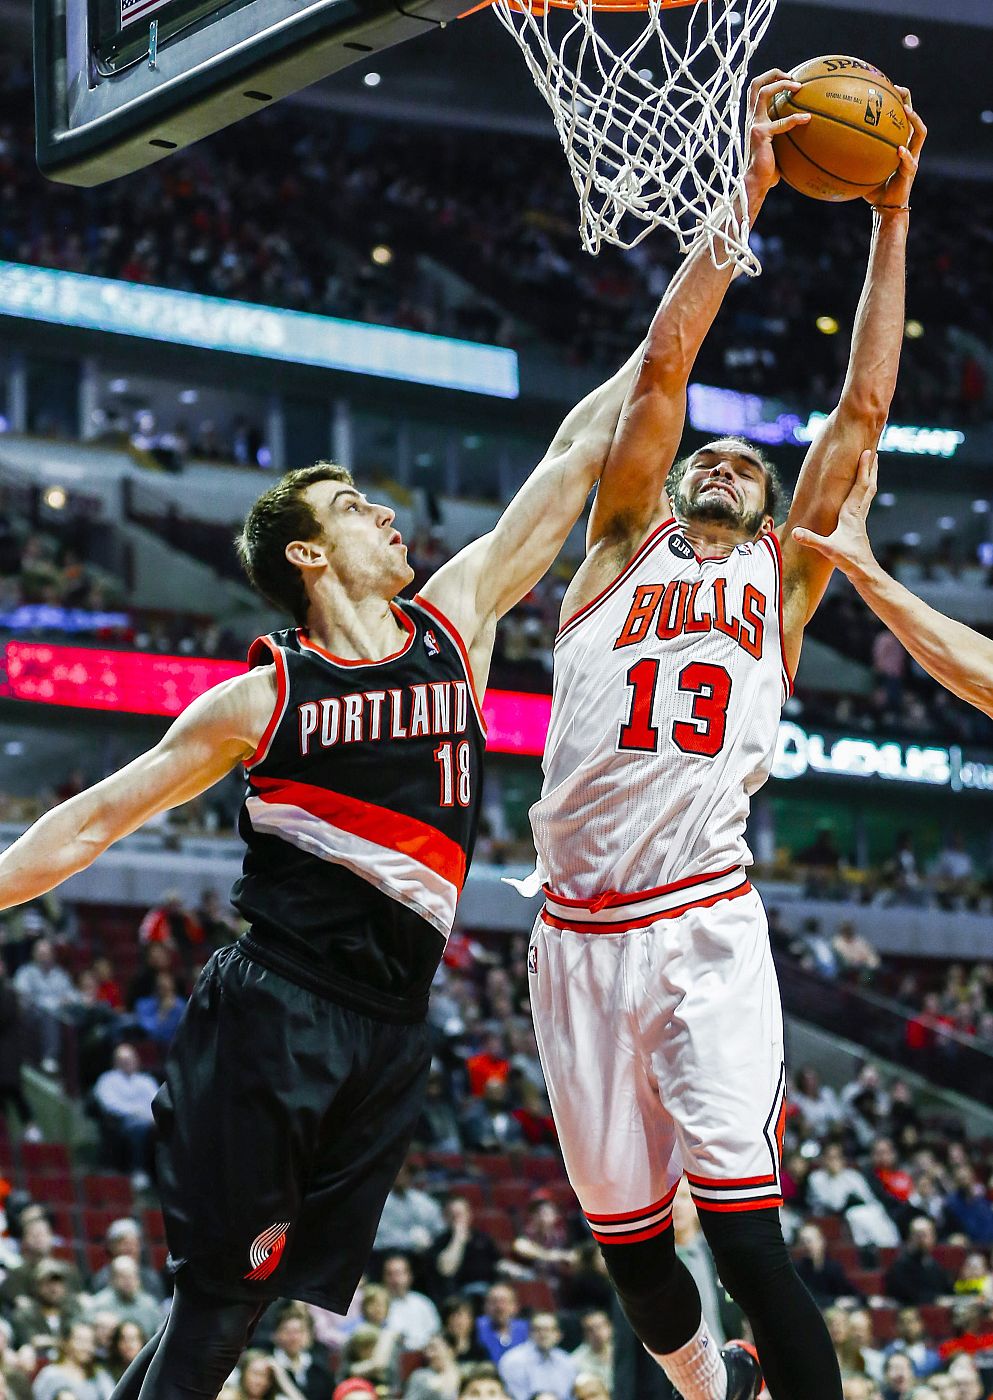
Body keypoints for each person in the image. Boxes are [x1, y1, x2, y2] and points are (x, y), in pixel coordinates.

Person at [0, 303, 645, 1400]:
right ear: (306, 551)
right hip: (278, 1006)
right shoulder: (262, 693)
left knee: (235, 1303)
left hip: (391, 1025)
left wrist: (708, 262)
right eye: (353, 504)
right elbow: (92, 820)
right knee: (218, 1301)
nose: (386, 511)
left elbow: (580, 449)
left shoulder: (456, 624)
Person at [522, 61, 925, 1400]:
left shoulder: (782, 583)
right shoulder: (618, 547)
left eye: (751, 466)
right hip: (574, 932)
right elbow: (665, 370)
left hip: (702, 921)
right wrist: (738, 202)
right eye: (718, 455)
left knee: (748, 1240)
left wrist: (892, 218)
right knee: (632, 1256)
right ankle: (712, 1392)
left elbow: (861, 414)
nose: (728, 462)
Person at [496, 1314, 577, 1400]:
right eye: (537, 1330)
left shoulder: (567, 1361)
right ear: (530, 1333)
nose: (543, 1334)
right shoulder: (512, 1360)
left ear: (559, 1335)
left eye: (548, 1330)